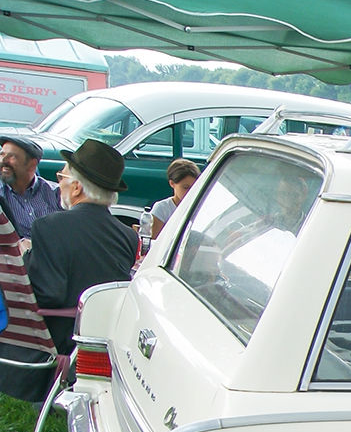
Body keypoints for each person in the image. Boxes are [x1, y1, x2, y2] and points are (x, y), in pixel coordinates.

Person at [25, 139, 138, 355]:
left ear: (77, 188)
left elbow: (47, 294)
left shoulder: (48, 226)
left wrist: (26, 259)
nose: (59, 184)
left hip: (56, 344)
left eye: (62, 177)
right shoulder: (128, 236)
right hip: (105, 341)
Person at [0, 134, 62, 243]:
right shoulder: (2, 195)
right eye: (2, 154)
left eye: (12, 156)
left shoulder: (56, 193)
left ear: (32, 164)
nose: (3, 160)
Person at [149, 158, 201, 238]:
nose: (190, 192)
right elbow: (155, 240)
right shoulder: (162, 208)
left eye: (194, 187)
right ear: (172, 183)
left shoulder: (201, 207)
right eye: (185, 187)